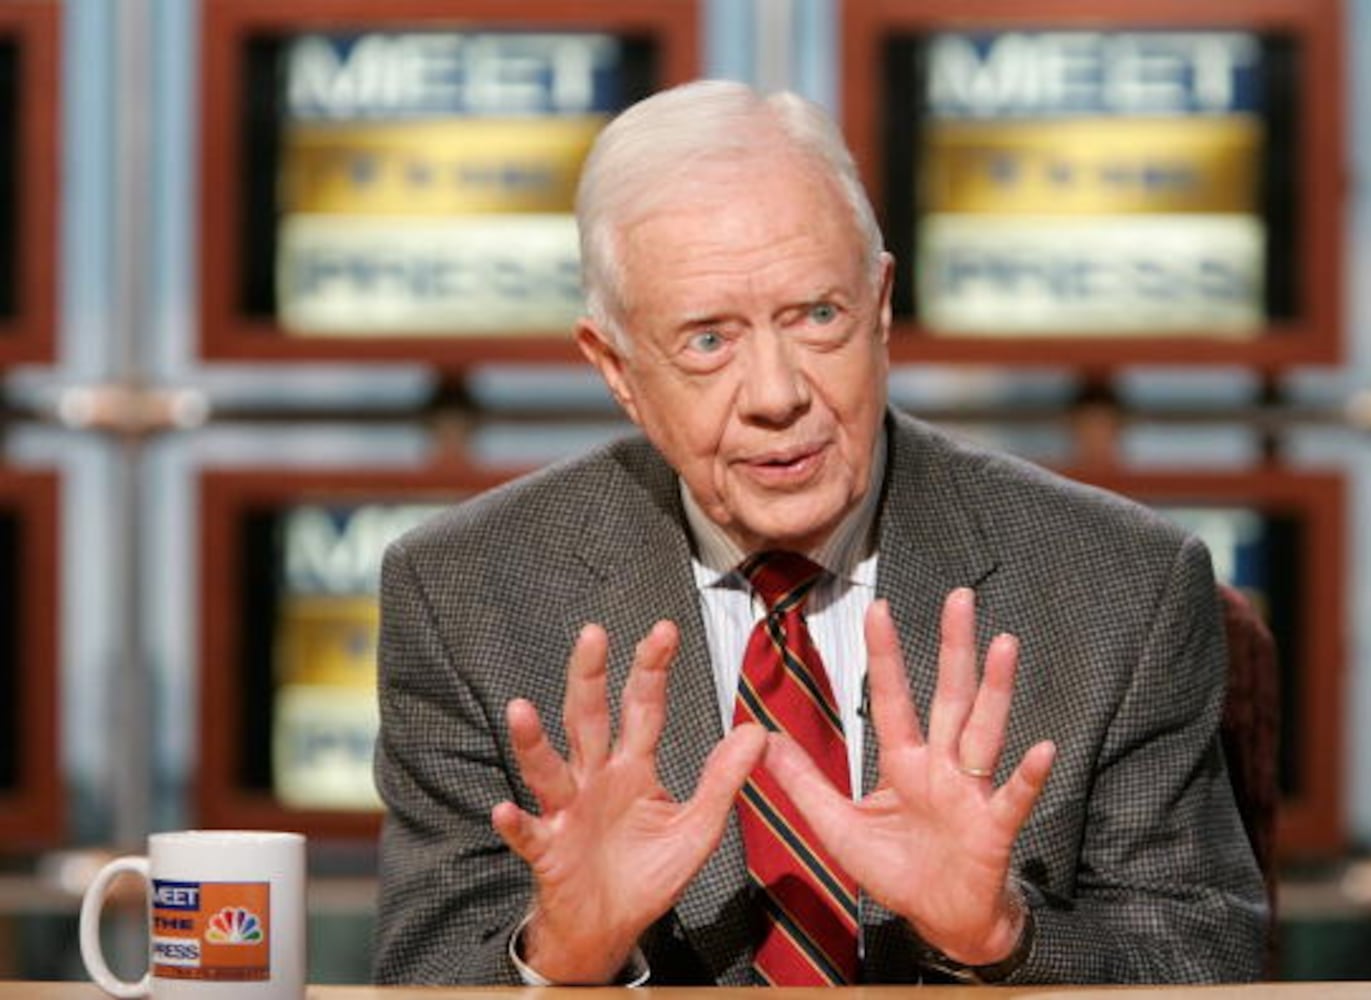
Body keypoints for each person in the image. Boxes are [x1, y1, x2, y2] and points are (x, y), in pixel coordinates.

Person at [372, 79, 1268, 986]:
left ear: (880, 305)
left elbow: (1202, 964)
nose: (777, 396)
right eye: (708, 340)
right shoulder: (467, 595)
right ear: (616, 368)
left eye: (818, 317)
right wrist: (567, 953)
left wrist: (1000, 939)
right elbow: (429, 971)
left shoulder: (1122, 587)